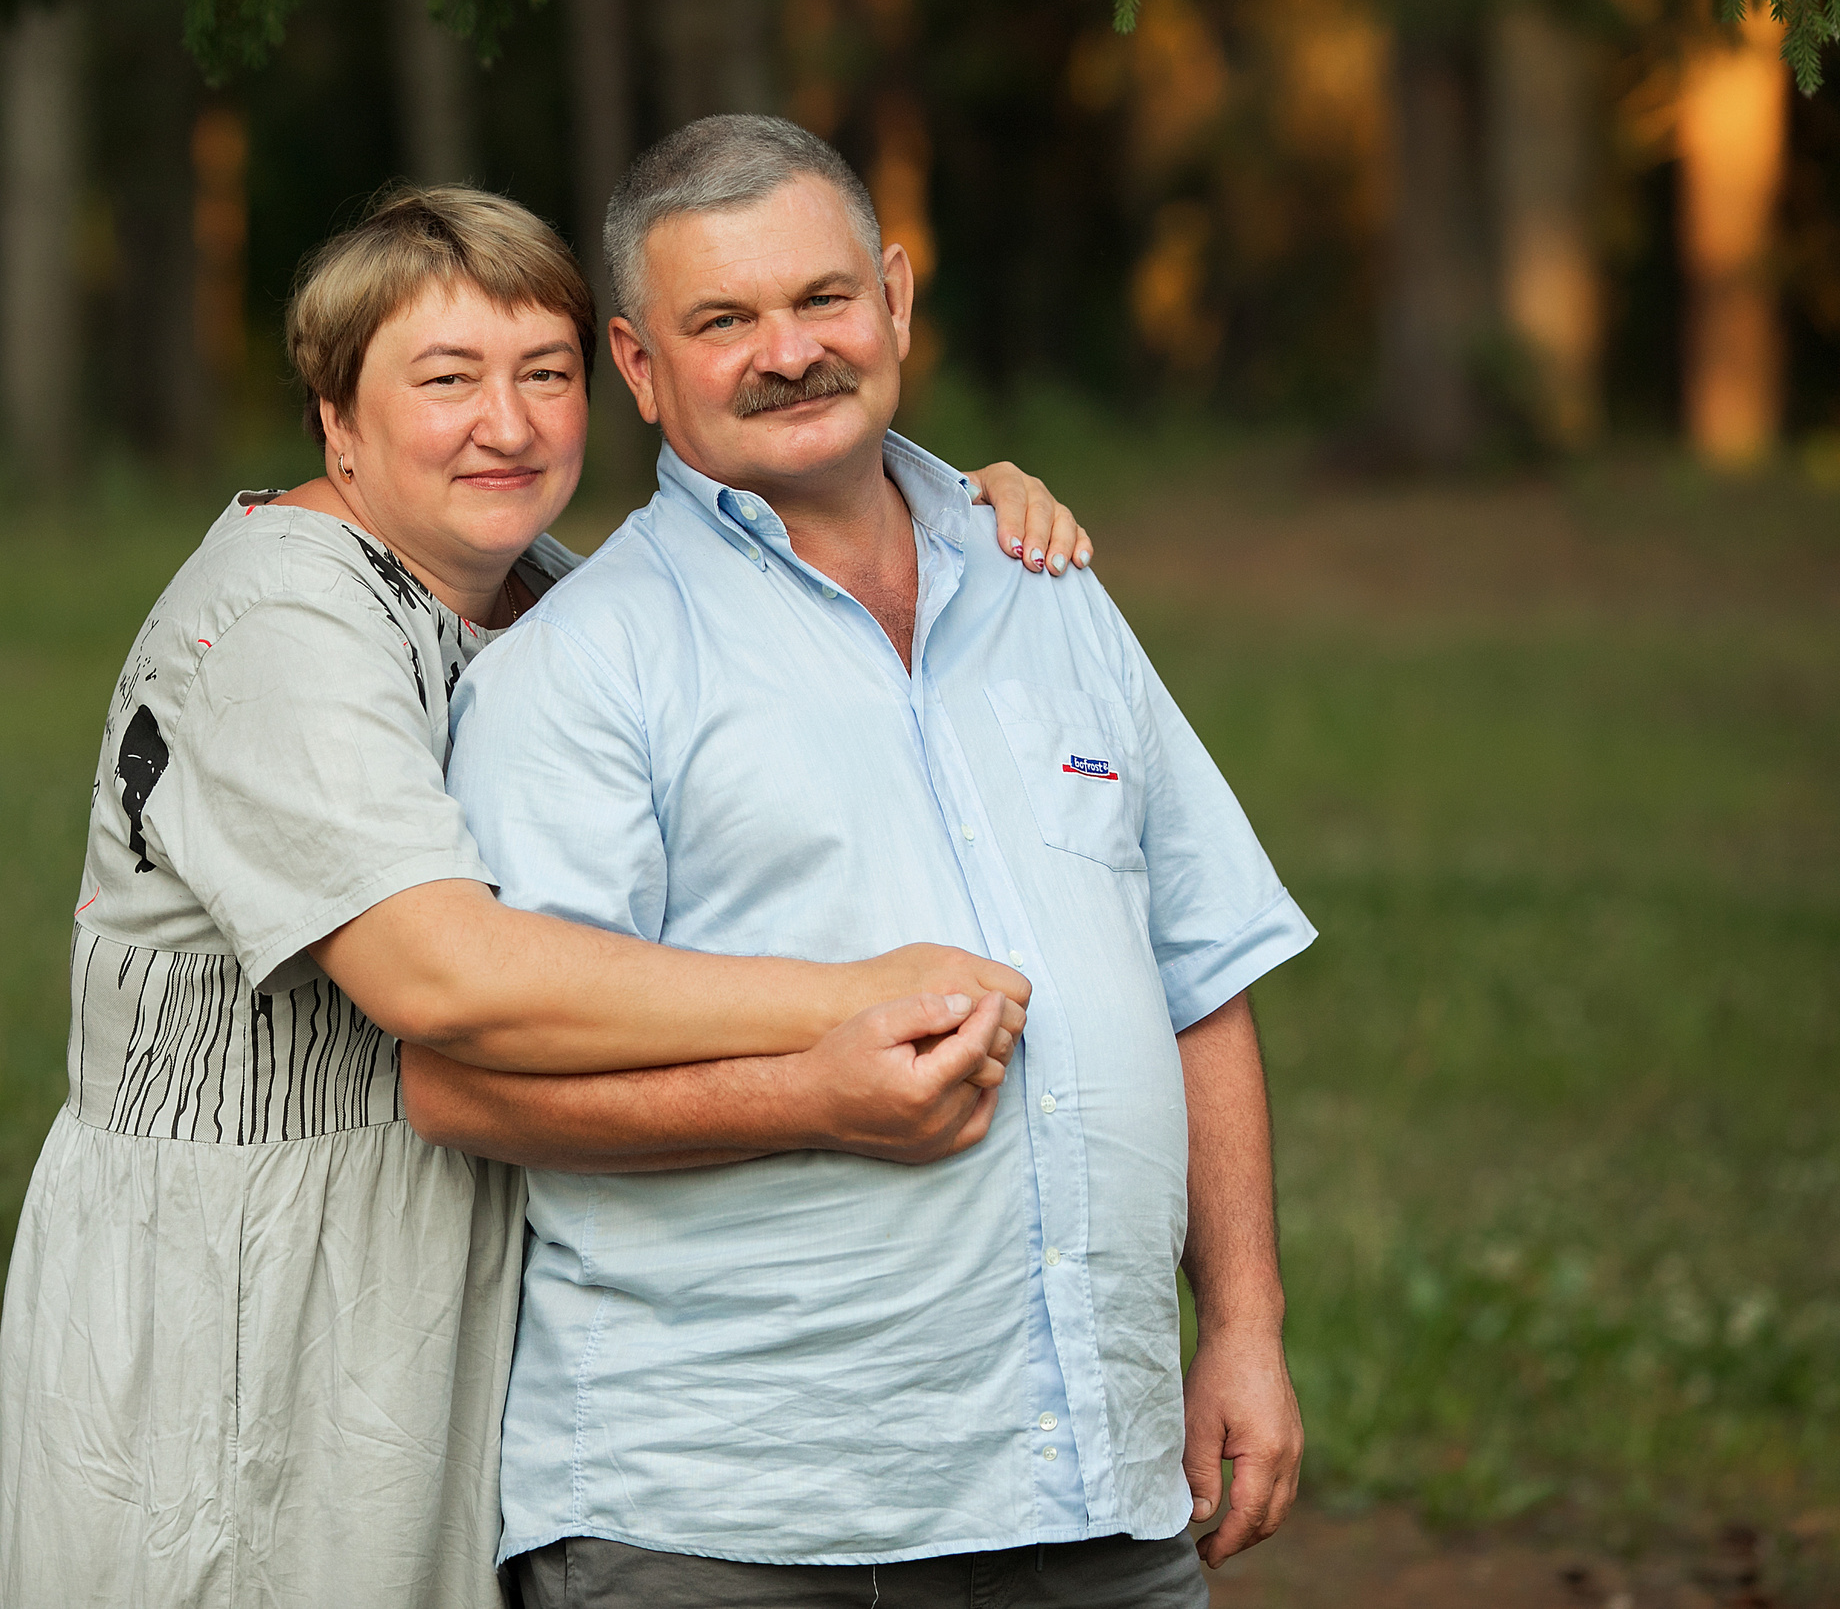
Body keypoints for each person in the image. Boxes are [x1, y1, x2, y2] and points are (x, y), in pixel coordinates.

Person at [0, 182, 1090, 1609]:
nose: (506, 423)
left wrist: (949, 508)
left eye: (543, 374)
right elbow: (443, 975)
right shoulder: (277, 616)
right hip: (247, 1276)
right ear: (337, 418)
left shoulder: (539, 593)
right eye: (446, 381)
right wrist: (847, 1002)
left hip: (441, 1241)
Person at [424, 115, 1317, 1608]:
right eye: (723, 321)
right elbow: (477, 1080)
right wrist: (811, 1097)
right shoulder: (581, 671)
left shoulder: (1052, 592)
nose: (789, 351)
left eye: (821, 299)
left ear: (894, 298)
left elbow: (1202, 976)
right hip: (742, 1519)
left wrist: (1242, 1328)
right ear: (640, 367)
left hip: (1095, 1489)